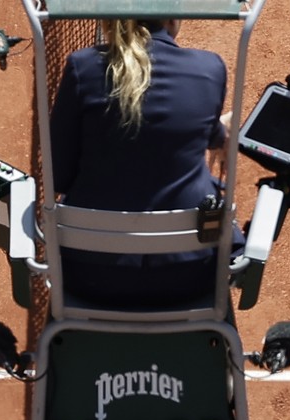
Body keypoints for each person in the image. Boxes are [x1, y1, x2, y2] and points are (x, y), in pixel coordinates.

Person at [49, 19, 244, 307]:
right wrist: (221, 132)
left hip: (89, 278)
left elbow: (59, 177)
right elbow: (183, 125)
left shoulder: (83, 67)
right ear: (173, 16)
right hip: (189, 279)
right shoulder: (209, 68)